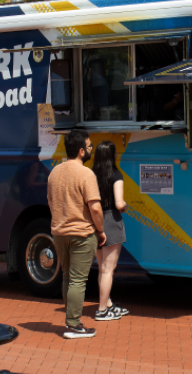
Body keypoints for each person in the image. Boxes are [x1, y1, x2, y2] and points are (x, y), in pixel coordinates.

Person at [47, 129, 106, 339]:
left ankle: (71, 320)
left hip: (59, 232)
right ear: (81, 151)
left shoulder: (54, 172)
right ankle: (74, 324)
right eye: (89, 147)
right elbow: (95, 208)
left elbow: (51, 203)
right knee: (78, 280)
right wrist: (100, 230)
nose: (91, 150)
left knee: (67, 277)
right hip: (81, 233)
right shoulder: (86, 174)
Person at [91, 141, 130, 322]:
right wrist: (125, 206)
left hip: (94, 221)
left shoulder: (91, 175)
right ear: (113, 155)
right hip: (111, 221)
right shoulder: (116, 175)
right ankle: (102, 310)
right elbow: (119, 203)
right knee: (108, 269)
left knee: (102, 268)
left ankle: (107, 304)